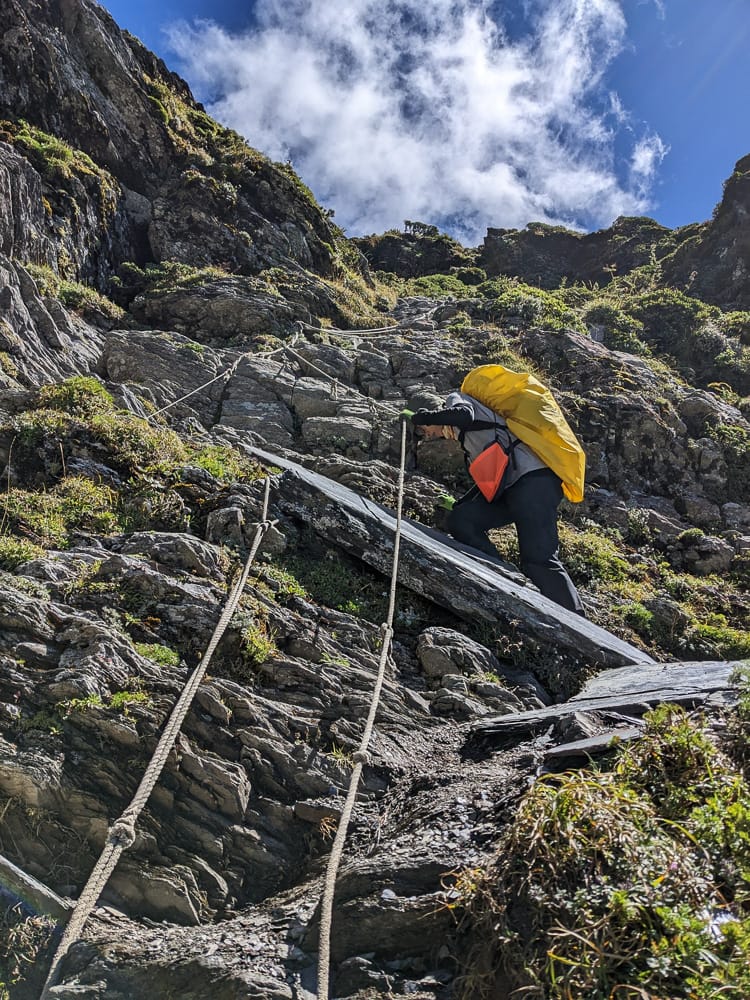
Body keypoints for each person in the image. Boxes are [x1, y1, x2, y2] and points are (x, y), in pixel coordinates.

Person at [408, 390, 585, 615]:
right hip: (512, 489)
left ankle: (577, 624)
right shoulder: (465, 438)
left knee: (538, 560)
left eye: (422, 430)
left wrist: (427, 417)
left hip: (534, 483)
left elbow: (464, 414)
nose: (425, 434)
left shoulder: (457, 399)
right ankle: (504, 579)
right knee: (462, 520)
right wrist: (461, 504)